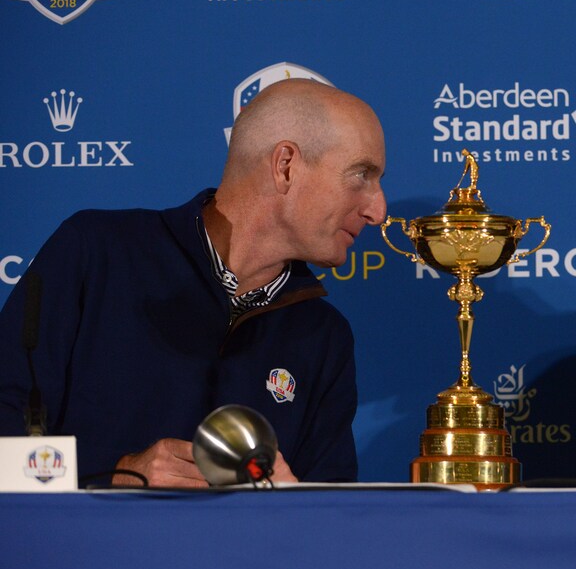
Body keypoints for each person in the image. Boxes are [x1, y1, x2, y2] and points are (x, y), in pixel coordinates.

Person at [0, 78, 387, 487]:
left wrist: (294, 499)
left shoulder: (324, 335)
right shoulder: (95, 253)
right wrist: (118, 474)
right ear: (285, 165)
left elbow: (331, 516)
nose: (377, 210)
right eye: (361, 174)